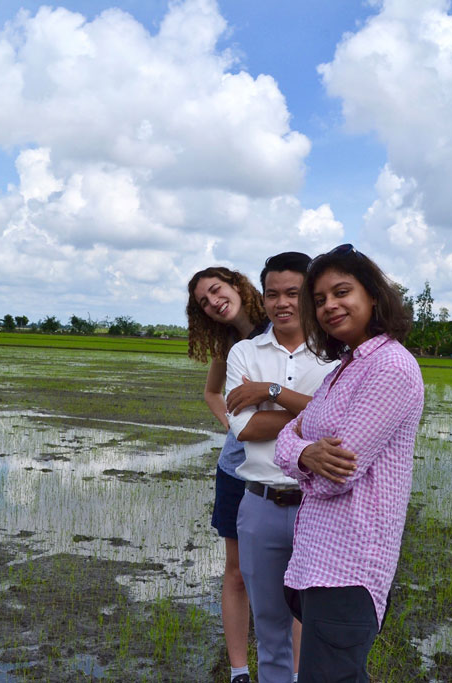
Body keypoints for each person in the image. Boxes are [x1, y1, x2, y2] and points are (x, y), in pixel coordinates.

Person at [274, 244, 424, 682]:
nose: (329, 307)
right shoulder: (343, 369)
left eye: (342, 292)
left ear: (373, 296)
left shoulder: (390, 368)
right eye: (319, 300)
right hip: (317, 562)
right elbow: (291, 436)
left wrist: (302, 456)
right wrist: (303, 453)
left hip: (349, 567)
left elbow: (336, 478)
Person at [224, 252, 337, 683]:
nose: (282, 303)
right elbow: (246, 429)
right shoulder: (244, 352)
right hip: (260, 507)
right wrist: (313, 412)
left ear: (308, 296)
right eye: (273, 294)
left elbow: (339, 425)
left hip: (321, 505)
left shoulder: (334, 356)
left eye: (293, 293)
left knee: (320, 628)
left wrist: (269, 391)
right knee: (270, 627)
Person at [187, 266, 268, 683]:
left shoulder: (280, 326)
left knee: (289, 572)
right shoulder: (227, 344)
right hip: (235, 468)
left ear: (237, 285)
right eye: (204, 301)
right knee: (236, 571)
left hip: (283, 466)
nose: (214, 302)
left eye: (216, 290)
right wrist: (233, 427)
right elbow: (211, 392)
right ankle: (239, 671)